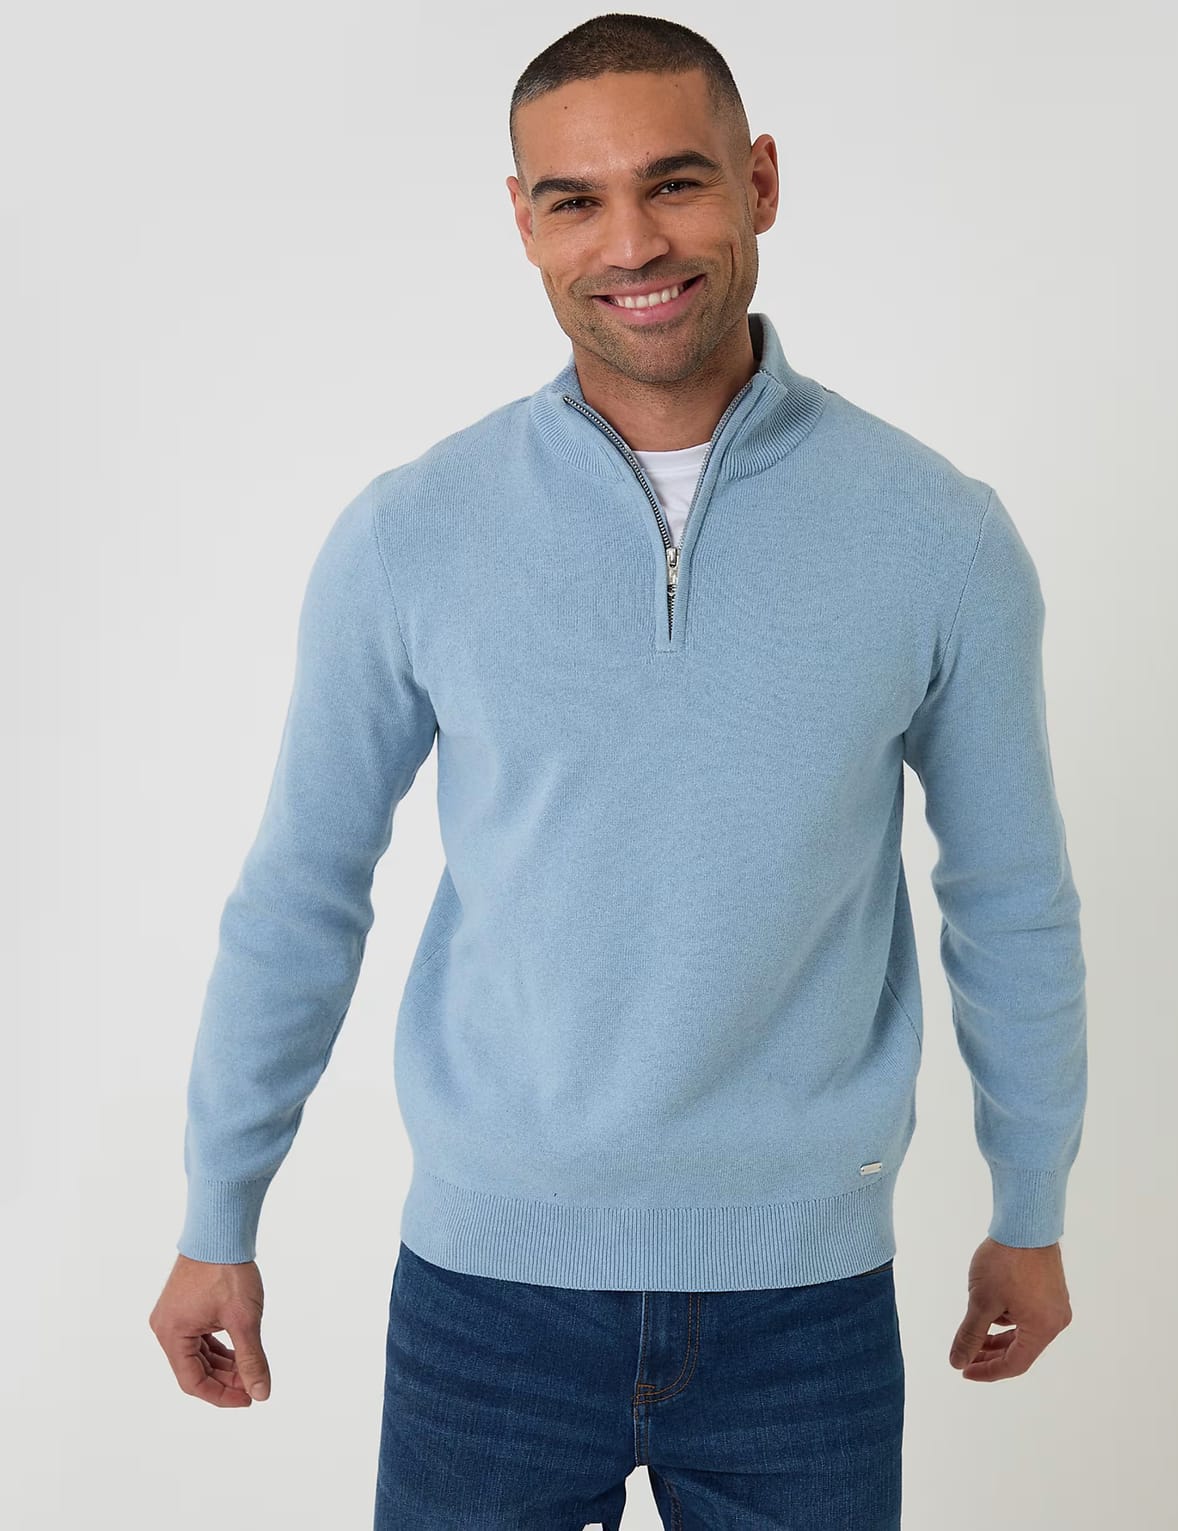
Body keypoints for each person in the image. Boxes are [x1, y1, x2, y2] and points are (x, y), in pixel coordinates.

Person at [149, 14, 1086, 1529]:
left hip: (806, 1305)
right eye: (575, 199)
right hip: (487, 1302)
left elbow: (1012, 898)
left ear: (760, 181)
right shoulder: (412, 534)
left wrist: (1030, 1207)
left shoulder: (939, 535)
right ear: (523, 221)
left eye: (677, 183)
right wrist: (218, 1214)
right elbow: (302, 894)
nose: (633, 242)